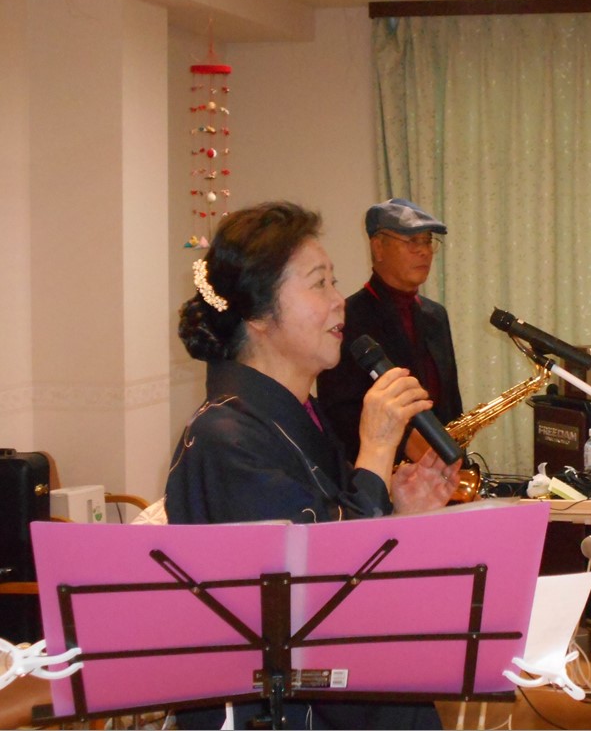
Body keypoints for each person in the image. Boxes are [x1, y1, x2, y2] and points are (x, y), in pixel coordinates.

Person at [165, 201, 456, 729]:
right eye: (319, 284)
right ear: (258, 315)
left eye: (334, 282)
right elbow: (323, 592)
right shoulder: (223, 438)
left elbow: (341, 529)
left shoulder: (299, 414)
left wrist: (400, 508)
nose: (338, 302)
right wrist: (377, 447)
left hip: (347, 686)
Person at [317, 198, 463, 464]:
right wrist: (406, 442)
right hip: (378, 470)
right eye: (412, 241)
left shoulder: (436, 315)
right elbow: (339, 413)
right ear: (378, 247)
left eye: (428, 241)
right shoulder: (346, 317)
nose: (425, 251)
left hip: (439, 467)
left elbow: (450, 399)